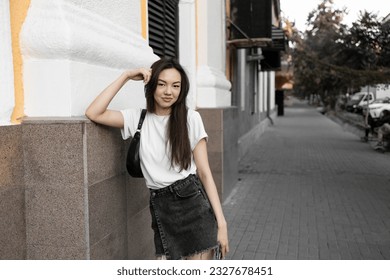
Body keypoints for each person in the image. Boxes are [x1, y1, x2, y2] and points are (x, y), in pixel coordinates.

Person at [85, 58, 229, 260]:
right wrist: (126, 76)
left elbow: (205, 173)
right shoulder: (138, 119)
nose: (168, 91)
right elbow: (94, 112)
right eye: (162, 84)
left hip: (193, 206)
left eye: (175, 86)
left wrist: (221, 224)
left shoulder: (190, 119)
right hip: (161, 207)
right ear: (151, 86)